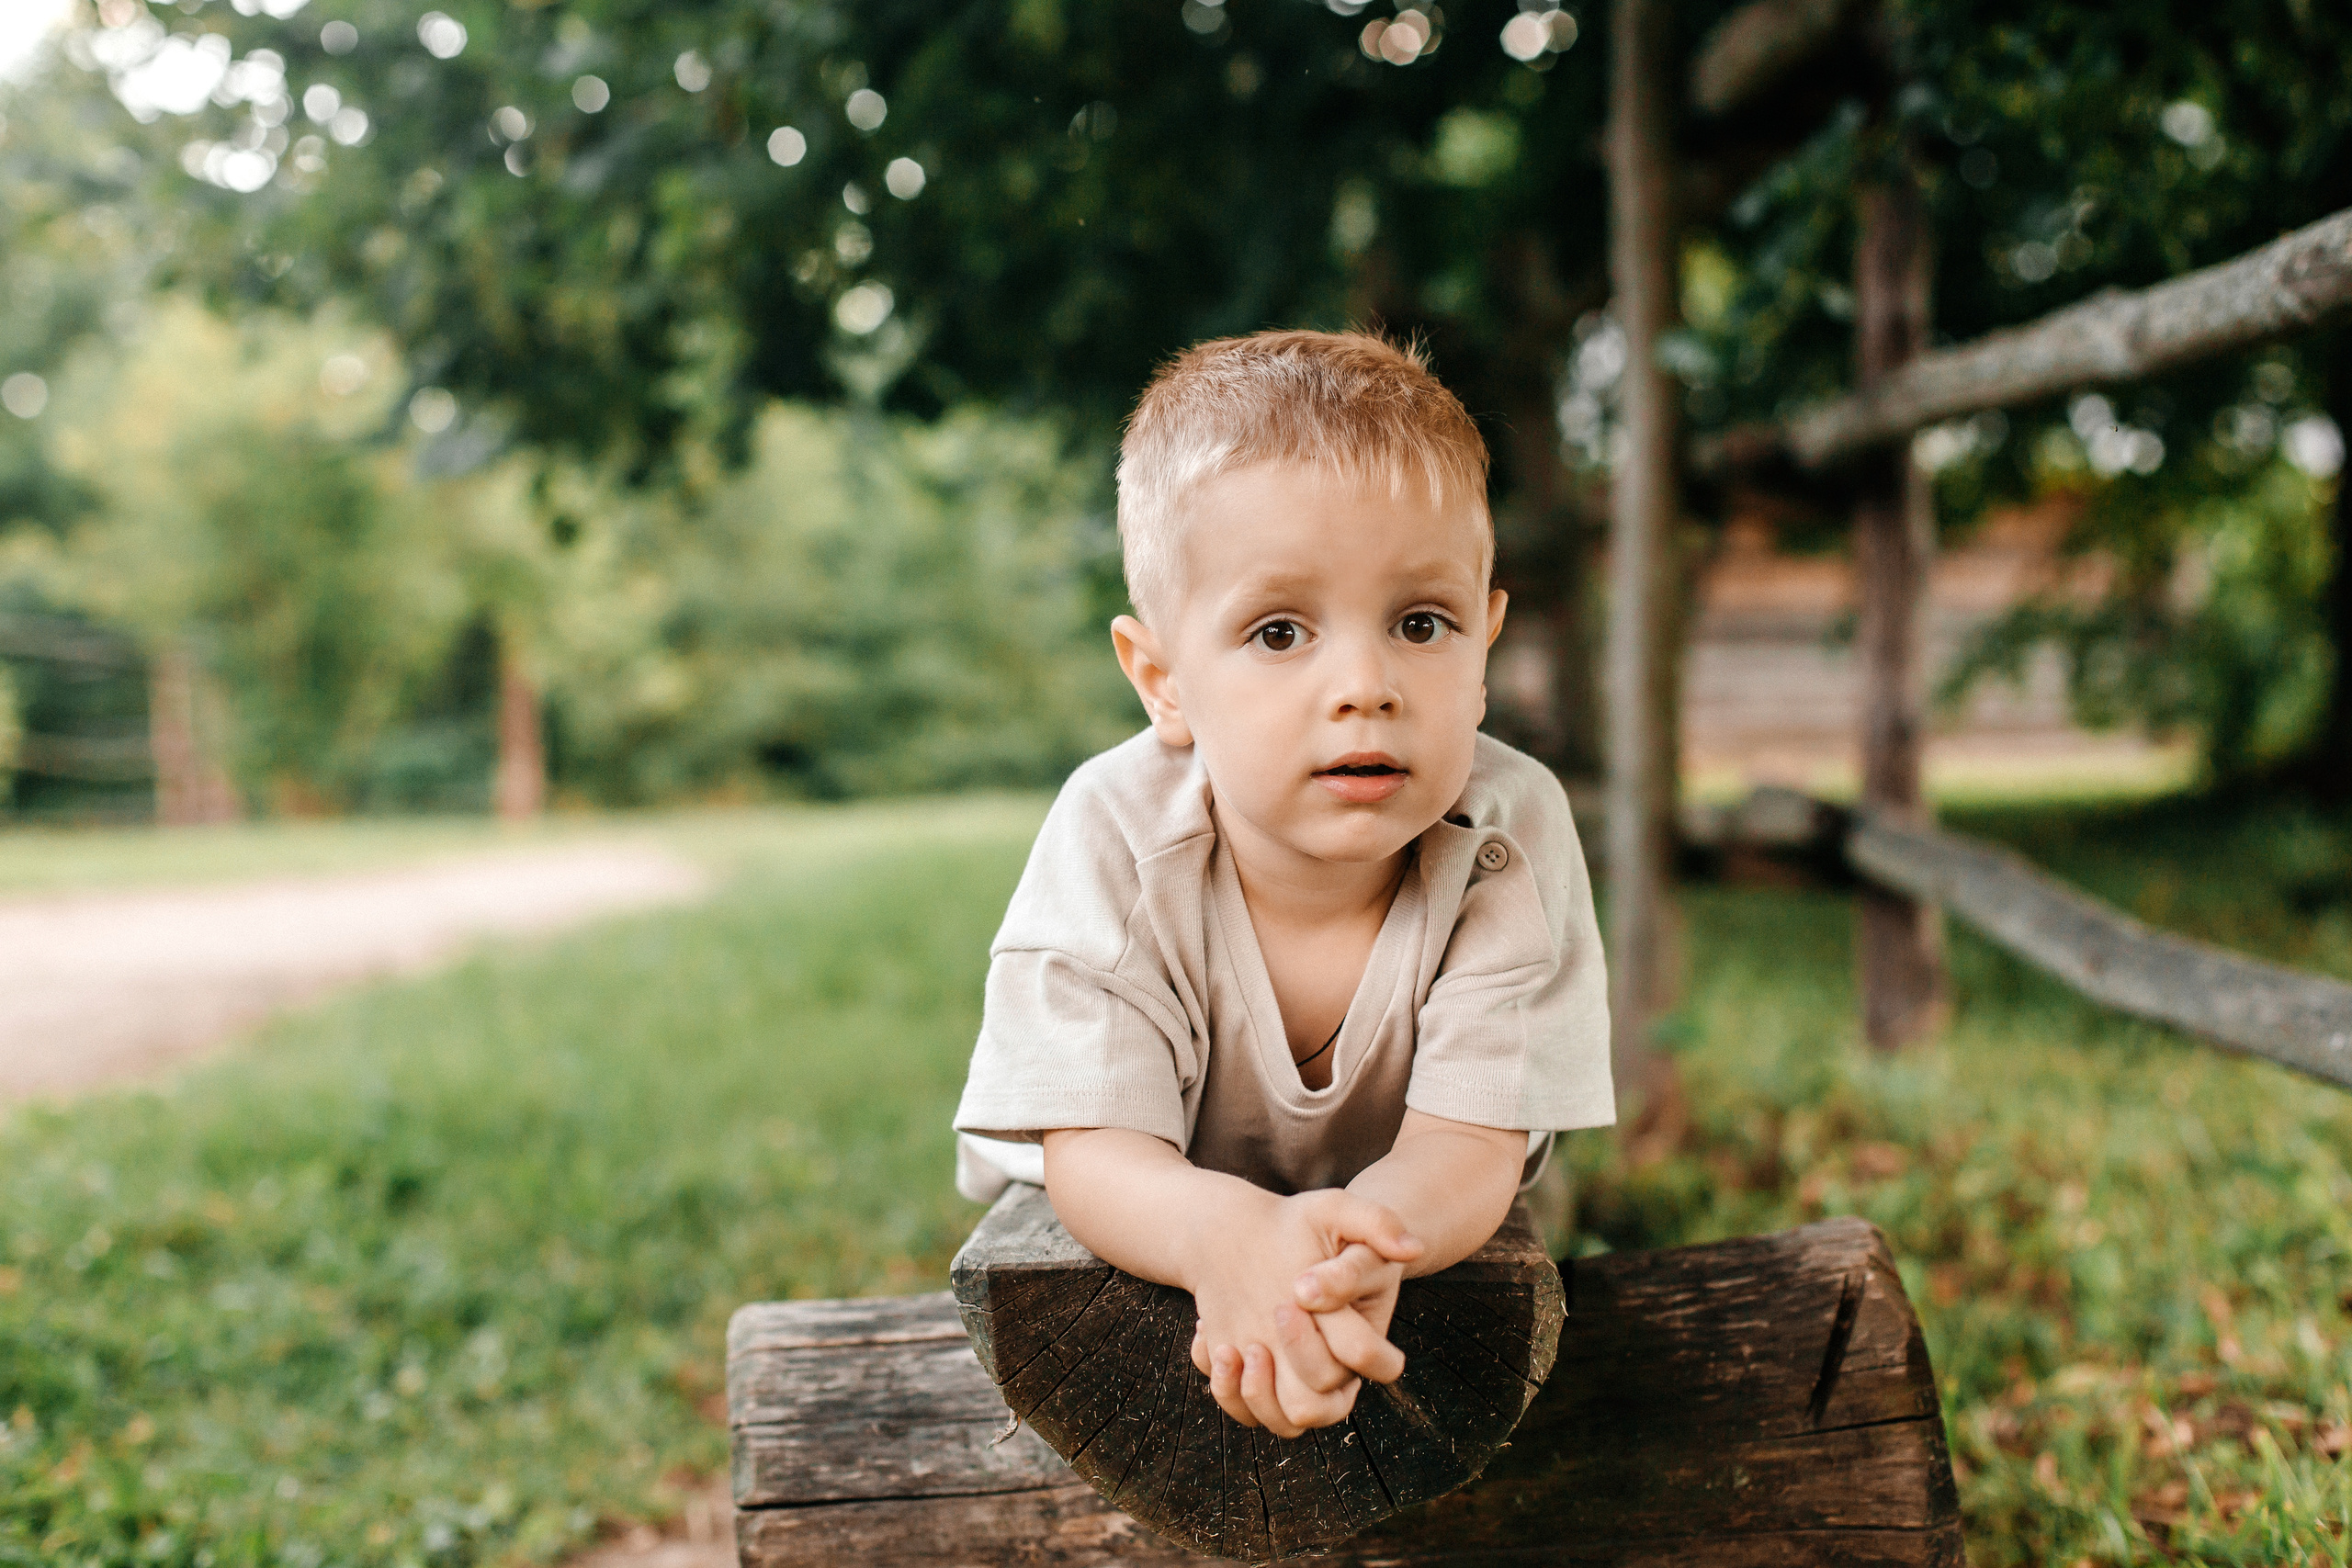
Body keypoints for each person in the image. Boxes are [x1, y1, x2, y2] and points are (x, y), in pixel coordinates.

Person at [952, 329, 1611, 1440]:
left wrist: (1348, 1256)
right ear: (1162, 681)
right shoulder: (1114, 833)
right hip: (1129, 1218)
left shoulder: (1506, 831)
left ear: (1485, 645)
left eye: (1420, 624)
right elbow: (1094, 1152)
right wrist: (1223, 1237)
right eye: (1278, 631)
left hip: (1380, 1209)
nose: (1364, 686)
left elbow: (1471, 1145)